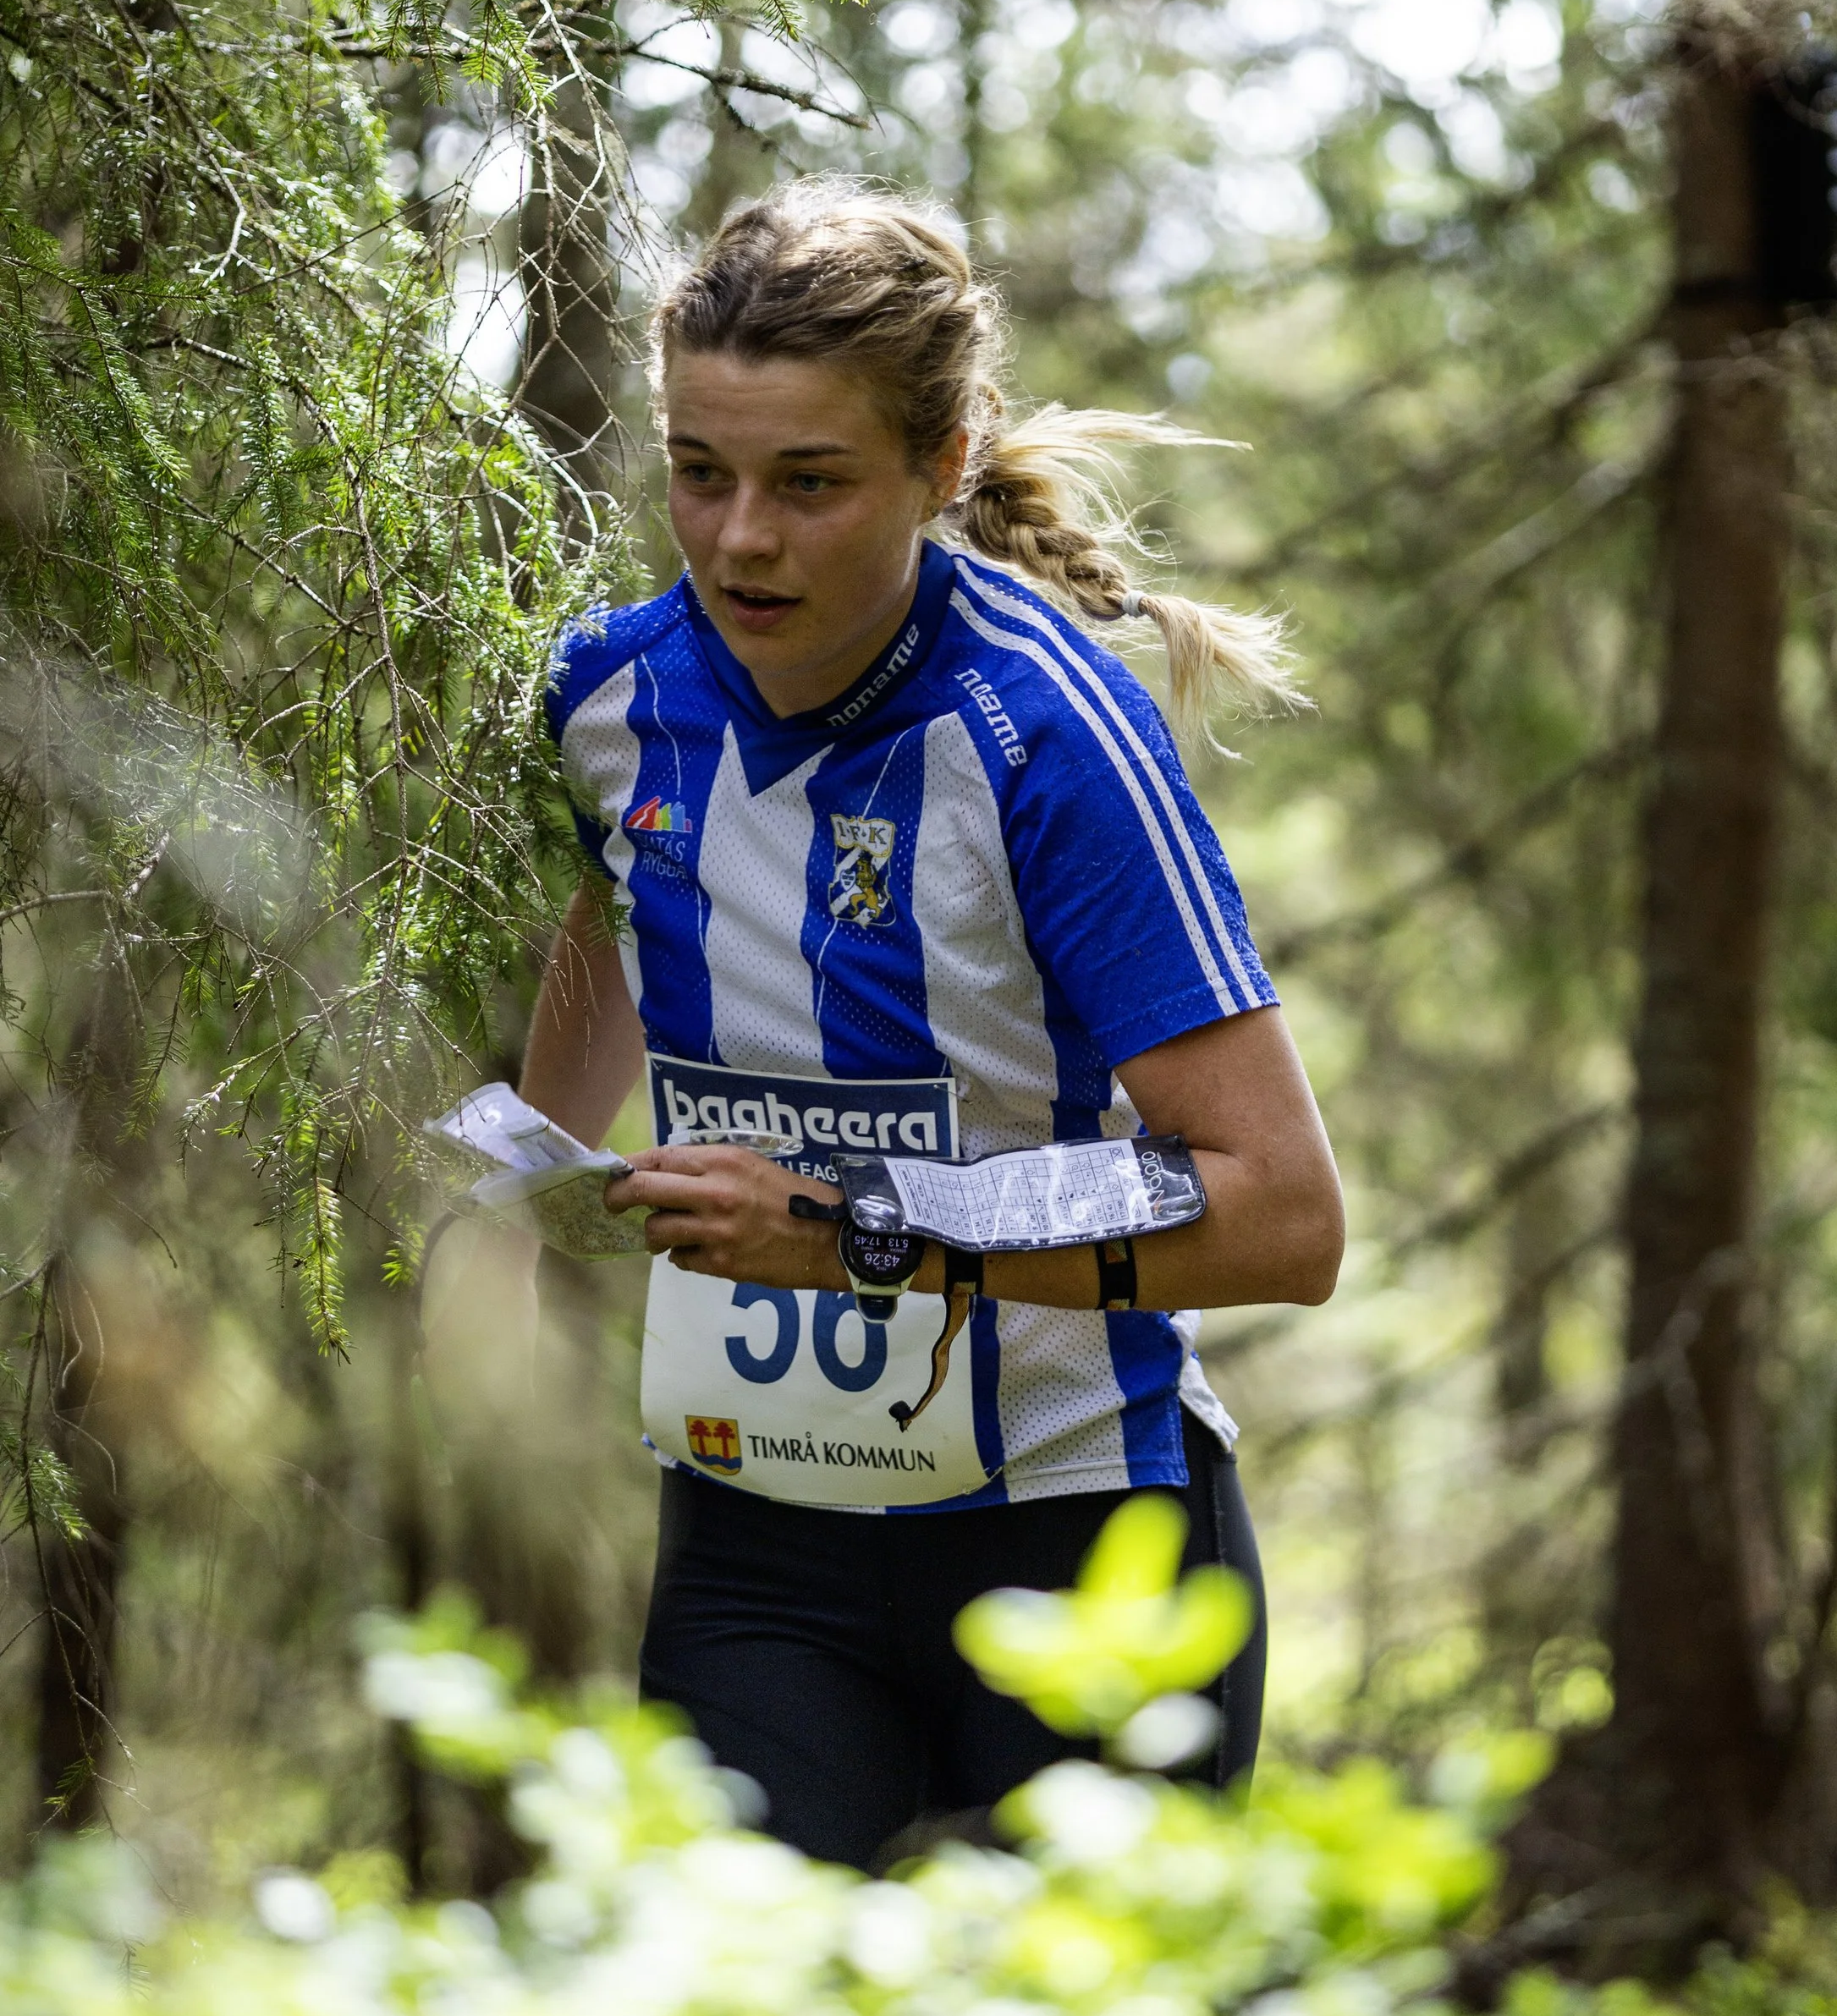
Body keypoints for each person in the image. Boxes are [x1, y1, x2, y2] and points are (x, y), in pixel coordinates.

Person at [482, 177, 1342, 1868]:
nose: (739, 539)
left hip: (1083, 1535)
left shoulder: (1046, 733)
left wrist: (856, 1227)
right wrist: (511, 1214)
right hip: (753, 1540)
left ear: (942, 465)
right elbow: (598, 967)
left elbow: (1283, 1213)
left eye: (809, 484)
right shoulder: (604, 703)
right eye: (698, 472)